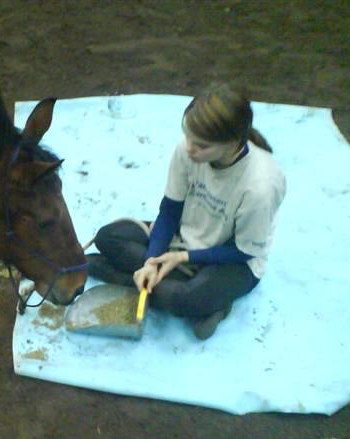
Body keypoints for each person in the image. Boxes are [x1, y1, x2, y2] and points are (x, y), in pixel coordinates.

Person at [87, 83, 286, 339]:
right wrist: (151, 260)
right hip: (185, 235)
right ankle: (182, 289)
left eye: (201, 145)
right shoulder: (188, 149)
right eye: (187, 136)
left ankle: (115, 274)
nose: (189, 148)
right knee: (108, 237)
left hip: (233, 258)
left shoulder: (261, 186)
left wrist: (181, 258)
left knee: (187, 298)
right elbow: (170, 210)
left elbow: (245, 250)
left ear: (233, 142)